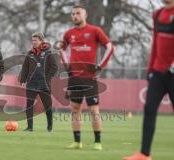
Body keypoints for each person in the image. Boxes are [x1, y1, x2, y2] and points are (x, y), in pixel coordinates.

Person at [123, 0, 174, 160]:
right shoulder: (157, 14)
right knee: (149, 109)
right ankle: (144, 154)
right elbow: (156, 43)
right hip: (158, 73)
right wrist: (150, 69)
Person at [60, 5, 114, 150]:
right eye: (73, 14)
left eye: (78, 13)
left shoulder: (95, 30)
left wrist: (100, 66)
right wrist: (66, 65)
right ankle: (77, 142)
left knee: (93, 110)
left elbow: (109, 47)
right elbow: (61, 49)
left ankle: (97, 142)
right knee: (75, 109)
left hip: (90, 77)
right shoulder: (68, 33)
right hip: (74, 78)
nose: (75, 16)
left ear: (85, 15)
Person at [19, 32, 58, 132]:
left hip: (44, 84)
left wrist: (47, 78)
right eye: (32, 40)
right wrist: (22, 79)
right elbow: (25, 68)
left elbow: (54, 67)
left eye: (35, 40)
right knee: (29, 106)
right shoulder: (30, 53)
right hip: (31, 83)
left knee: (48, 106)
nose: (33, 42)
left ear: (41, 41)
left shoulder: (48, 53)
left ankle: (50, 127)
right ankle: (29, 127)